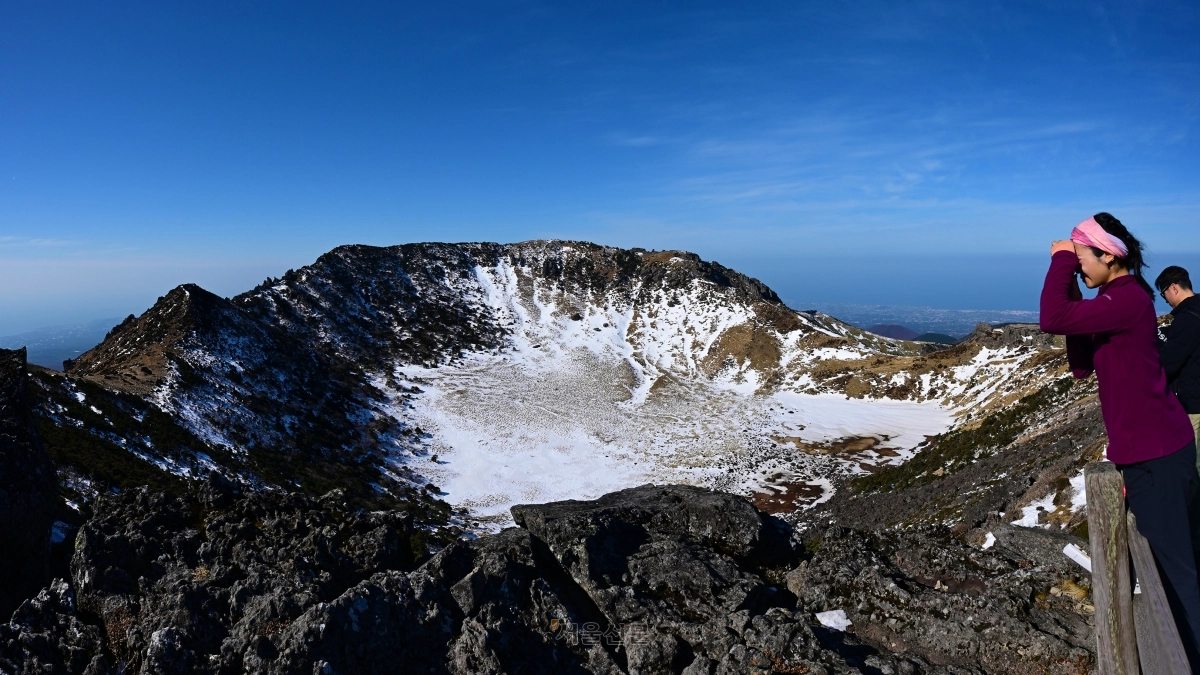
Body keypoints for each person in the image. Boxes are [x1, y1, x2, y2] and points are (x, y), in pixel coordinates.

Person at [1040, 213, 1200, 667]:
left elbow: (1051, 317)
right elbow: (1080, 363)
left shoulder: (1127, 299)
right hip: (1148, 453)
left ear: (1109, 255)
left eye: (1083, 257)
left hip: (1160, 453)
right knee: (1169, 567)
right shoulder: (1116, 299)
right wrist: (1073, 272)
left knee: (1177, 574)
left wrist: (1058, 264)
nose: (1078, 265)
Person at [1157, 265, 1200, 449]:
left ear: (1174, 287)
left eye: (1164, 292)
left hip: (1194, 405)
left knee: (1194, 465)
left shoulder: (1186, 319)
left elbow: (1169, 363)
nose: (1165, 299)